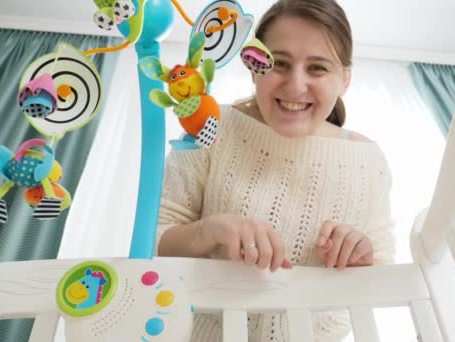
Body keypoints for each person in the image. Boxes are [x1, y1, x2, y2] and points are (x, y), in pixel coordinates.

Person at [155, 0, 395, 340]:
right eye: (278, 63)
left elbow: (383, 278)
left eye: (317, 68)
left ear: (344, 80)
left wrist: (361, 254)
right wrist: (210, 231)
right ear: (253, 67)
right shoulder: (210, 127)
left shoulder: (369, 160)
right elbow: (152, 240)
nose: (296, 86)